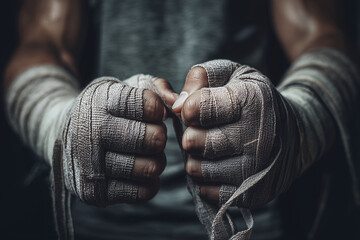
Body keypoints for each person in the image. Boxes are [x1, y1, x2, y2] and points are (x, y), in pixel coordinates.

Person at [4, 0, 360, 239]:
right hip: (102, 220)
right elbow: (42, 43)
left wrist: (296, 122)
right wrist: (61, 122)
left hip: (244, 218)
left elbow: (322, 37)